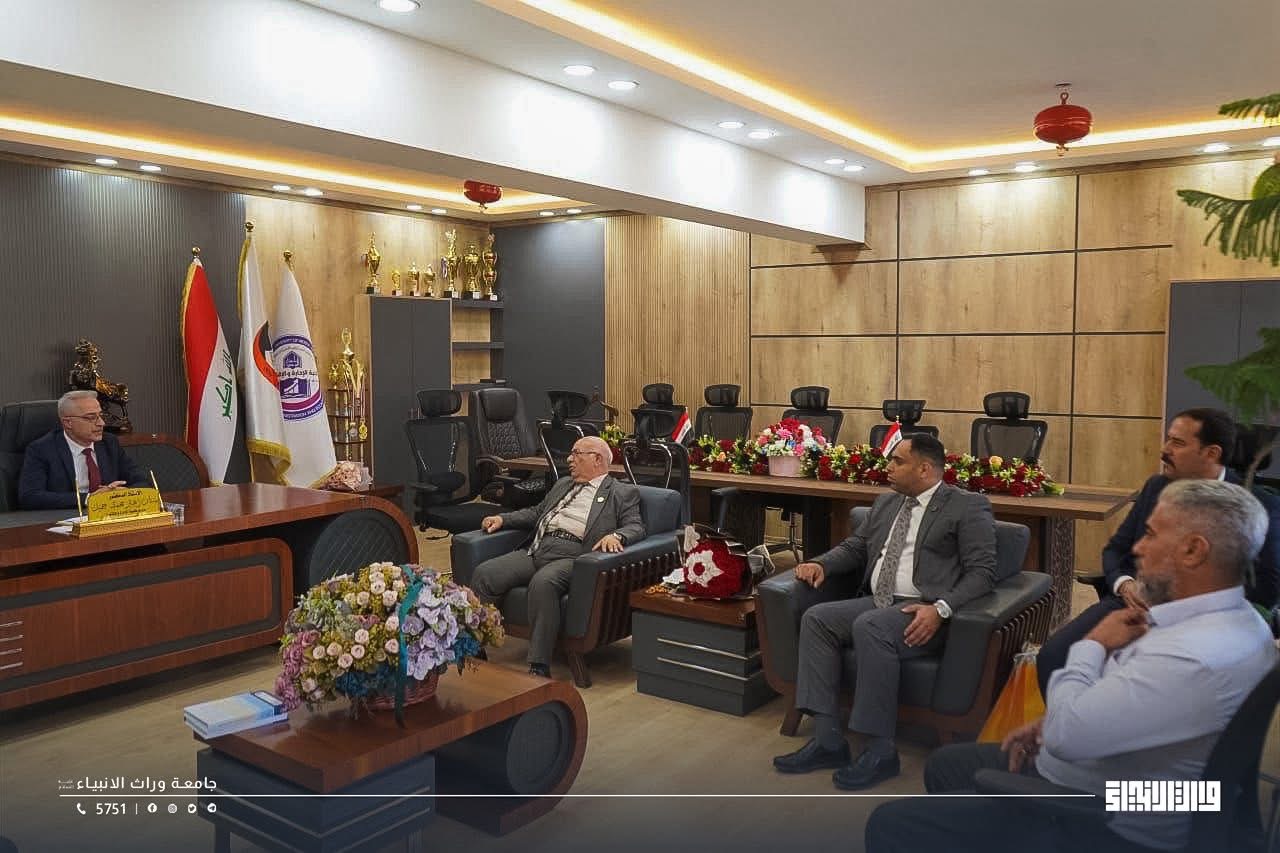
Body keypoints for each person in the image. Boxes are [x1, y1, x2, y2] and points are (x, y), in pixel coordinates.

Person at [865, 479, 1278, 853]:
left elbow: (1068, 737)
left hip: (1109, 817)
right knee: (948, 764)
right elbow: (1142, 708)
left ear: (1193, 550)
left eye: (1152, 534)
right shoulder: (1241, 623)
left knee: (892, 824)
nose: (1138, 548)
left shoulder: (1191, 655)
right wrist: (1055, 724)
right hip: (1140, 785)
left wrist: (1091, 646)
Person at [771, 434, 997, 789]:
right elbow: (857, 546)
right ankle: (829, 741)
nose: (887, 467)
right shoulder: (887, 502)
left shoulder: (966, 507)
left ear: (925, 469)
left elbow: (982, 572)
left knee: (870, 626)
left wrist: (941, 609)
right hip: (877, 600)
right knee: (818, 619)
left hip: (923, 610)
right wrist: (821, 563)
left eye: (898, 461)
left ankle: (881, 751)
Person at [1037, 407, 1280, 694]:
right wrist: (1124, 583)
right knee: (1053, 656)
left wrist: (1183, 602)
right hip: (1134, 603)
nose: (1164, 450)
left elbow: (1267, 588)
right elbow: (1116, 550)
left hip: (1202, 620)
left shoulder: (1258, 505)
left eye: (1177, 442)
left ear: (1211, 453)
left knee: (1150, 683)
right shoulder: (1156, 487)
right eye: (1168, 439)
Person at [471, 434, 645, 678]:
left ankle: (539, 665)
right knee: (485, 574)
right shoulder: (563, 484)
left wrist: (617, 536)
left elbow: (636, 526)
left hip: (573, 556)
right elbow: (537, 512)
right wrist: (503, 518)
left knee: (543, 583)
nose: (569, 459)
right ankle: (473, 646)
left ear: (597, 459)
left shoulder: (621, 492)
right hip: (539, 548)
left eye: (576, 454)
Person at [18, 390, 147, 510]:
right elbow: (30, 496)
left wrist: (123, 493)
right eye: (91, 417)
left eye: (100, 415)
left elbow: (142, 480)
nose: (101, 423)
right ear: (68, 423)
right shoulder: (42, 449)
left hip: (109, 515)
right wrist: (89, 499)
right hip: (67, 517)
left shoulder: (109, 442)